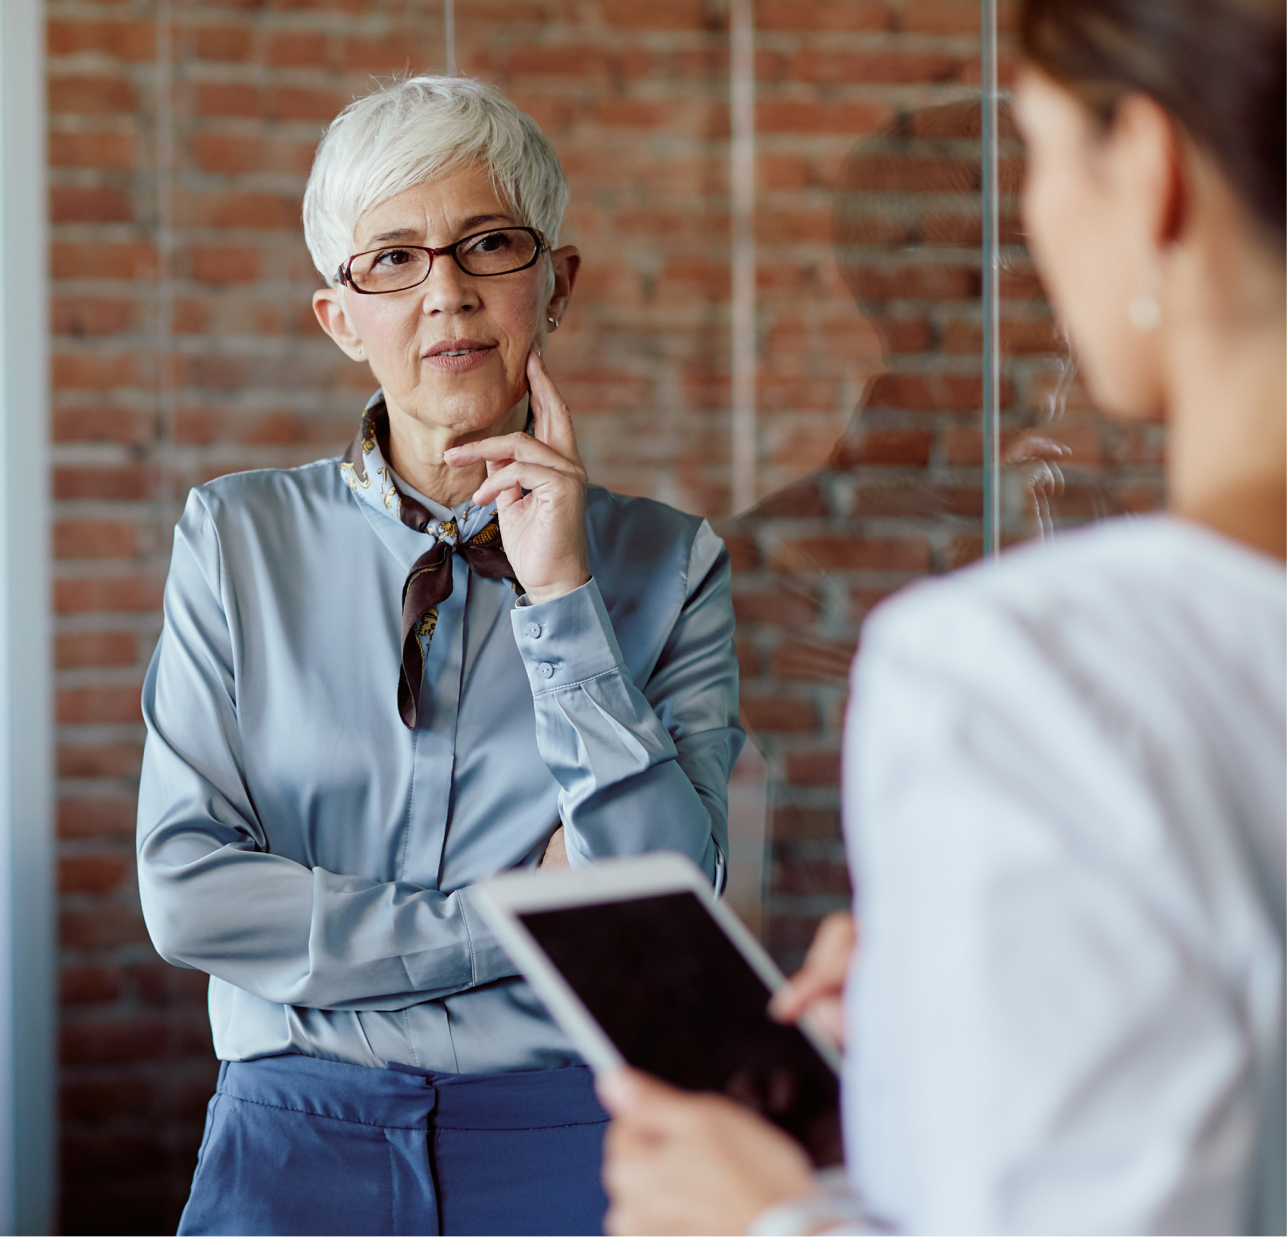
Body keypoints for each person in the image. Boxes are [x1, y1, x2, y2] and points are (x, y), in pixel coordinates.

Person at [598, 0, 1285, 1231]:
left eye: (1036, 162)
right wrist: (943, 1031)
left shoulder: (1012, 665)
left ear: (1147, 170)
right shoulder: (809, 559)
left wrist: (770, 1221)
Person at [136, 75, 745, 1235]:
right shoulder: (234, 538)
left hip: (576, 1139)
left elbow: (660, 917)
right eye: (393, 261)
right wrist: (510, 917)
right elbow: (188, 899)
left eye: (488, 244)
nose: (447, 295)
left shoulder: (669, 566)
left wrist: (562, 594)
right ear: (339, 318)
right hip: (290, 1133)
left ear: (554, 283)